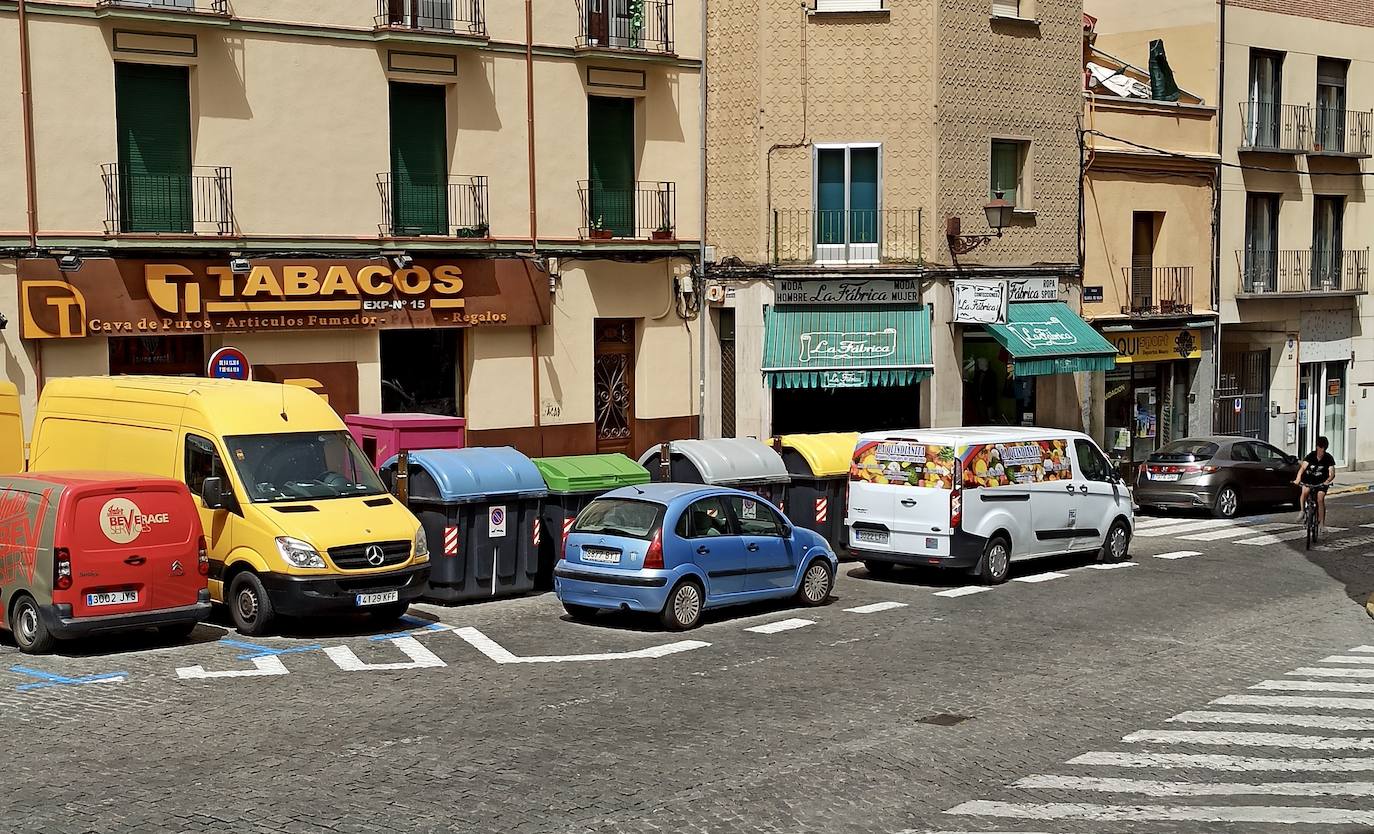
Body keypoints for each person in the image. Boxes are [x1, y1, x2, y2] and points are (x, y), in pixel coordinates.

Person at [1295, 435, 1337, 530]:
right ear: (1317, 447)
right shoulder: (1311, 456)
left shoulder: (1328, 458)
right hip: (1309, 479)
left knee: (1320, 498)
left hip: (1322, 482)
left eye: (1323, 448)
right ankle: (1302, 511)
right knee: (1304, 492)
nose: (1321, 451)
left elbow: (1332, 473)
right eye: (1320, 448)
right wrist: (1298, 478)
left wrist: (1328, 481)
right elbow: (1302, 468)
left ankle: (1321, 523)